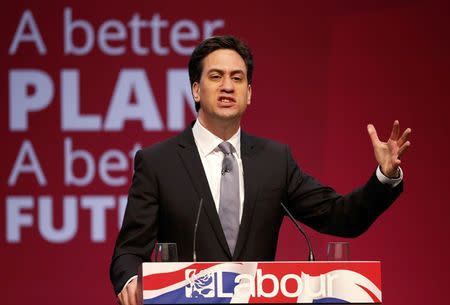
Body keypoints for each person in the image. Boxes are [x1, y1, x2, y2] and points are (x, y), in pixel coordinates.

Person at [109, 35, 411, 305]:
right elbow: (128, 252)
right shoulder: (158, 162)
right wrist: (132, 281)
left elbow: (341, 217)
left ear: (249, 93)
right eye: (216, 77)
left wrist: (384, 177)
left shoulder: (274, 160)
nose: (228, 86)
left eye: (237, 79)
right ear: (197, 90)